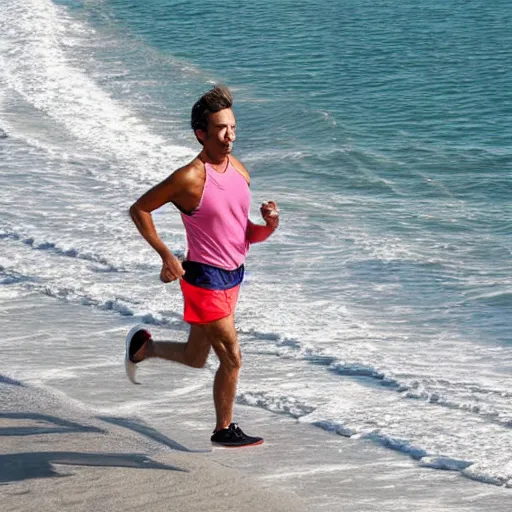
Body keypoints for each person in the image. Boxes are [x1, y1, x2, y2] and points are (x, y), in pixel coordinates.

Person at [126, 85, 279, 447]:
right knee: (232, 358)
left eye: (234, 128)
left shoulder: (238, 170)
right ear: (201, 134)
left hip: (233, 275)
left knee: (197, 357)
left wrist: (269, 226)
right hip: (204, 279)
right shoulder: (190, 178)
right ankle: (223, 429)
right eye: (222, 130)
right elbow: (140, 209)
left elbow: (243, 233)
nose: (230, 136)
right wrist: (166, 254)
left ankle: (142, 348)